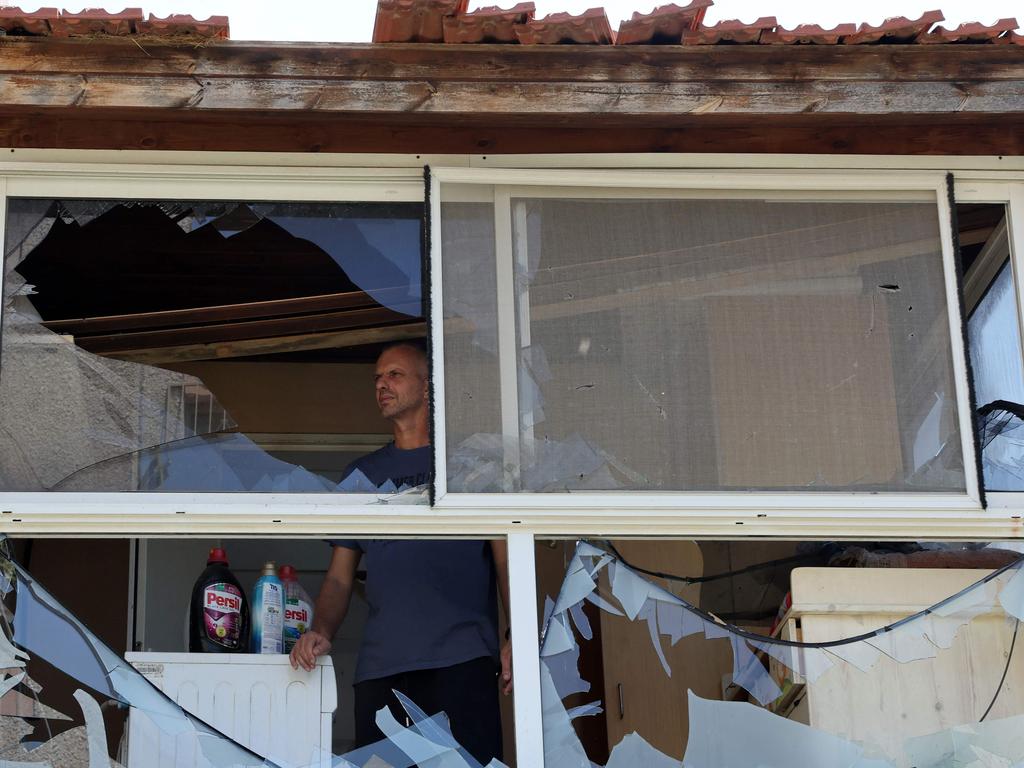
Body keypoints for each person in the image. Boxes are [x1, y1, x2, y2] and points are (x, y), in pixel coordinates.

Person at [289, 340, 512, 764]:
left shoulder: (472, 467)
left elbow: (506, 558)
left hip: (461, 660)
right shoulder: (362, 474)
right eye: (377, 377)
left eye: (395, 375)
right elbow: (339, 576)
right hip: (381, 668)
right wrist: (322, 630)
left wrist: (514, 636)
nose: (381, 384)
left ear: (427, 387)